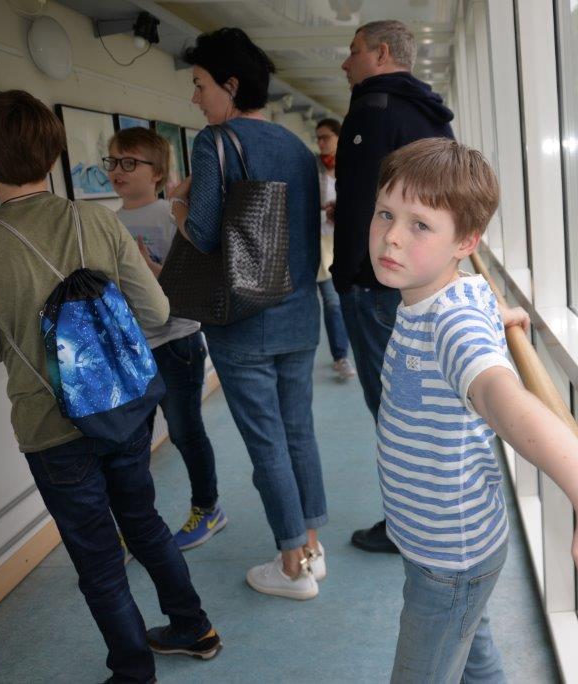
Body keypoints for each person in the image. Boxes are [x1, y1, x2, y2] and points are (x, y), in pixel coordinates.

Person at [369, 137, 578, 681]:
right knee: (472, 646)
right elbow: (481, 307)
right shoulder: (452, 294)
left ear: (465, 242)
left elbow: (502, 398)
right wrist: (504, 316)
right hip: (438, 539)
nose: (391, 236)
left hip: (450, 556)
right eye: (385, 213)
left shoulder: (449, 322)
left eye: (420, 225)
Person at [0, 90, 220, 684]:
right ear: (52, 155)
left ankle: (132, 671)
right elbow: (155, 312)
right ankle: (193, 627)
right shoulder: (94, 218)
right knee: (142, 520)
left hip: (49, 423)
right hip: (123, 406)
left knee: (96, 556)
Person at [169, 28, 329, 600]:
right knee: (297, 432)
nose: (196, 98)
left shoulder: (214, 142)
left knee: (266, 442)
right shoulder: (297, 149)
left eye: (200, 84)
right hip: (299, 314)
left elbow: (206, 234)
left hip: (242, 319)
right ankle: (311, 544)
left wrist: (178, 202)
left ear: (230, 85)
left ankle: (291, 567)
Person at [333, 19, 455, 554]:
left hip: (381, 284)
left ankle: (408, 524)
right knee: (417, 405)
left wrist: (348, 273)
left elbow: (363, 199)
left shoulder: (372, 108)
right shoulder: (429, 114)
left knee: (392, 412)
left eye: (353, 52)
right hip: (426, 277)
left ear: (381, 53)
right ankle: (431, 514)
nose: (345, 63)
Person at [106, 126, 226, 550]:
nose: (117, 171)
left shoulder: (169, 217)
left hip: (176, 342)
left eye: (128, 162)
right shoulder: (110, 222)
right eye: (112, 162)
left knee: (184, 432)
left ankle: (208, 507)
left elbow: (191, 289)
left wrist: (148, 270)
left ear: (156, 172)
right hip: (132, 347)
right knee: (130, 442)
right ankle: (138, 528)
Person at [315, 118, 356, 381]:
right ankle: (341, 356)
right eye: (318, 138)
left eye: (325, 137)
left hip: (344, 243)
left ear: (338, 138)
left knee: (347, 301)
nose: (321, 143)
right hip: (319, 244)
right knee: (331, 302)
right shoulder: (313, 169)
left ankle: (348, 349)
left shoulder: (351, 166)